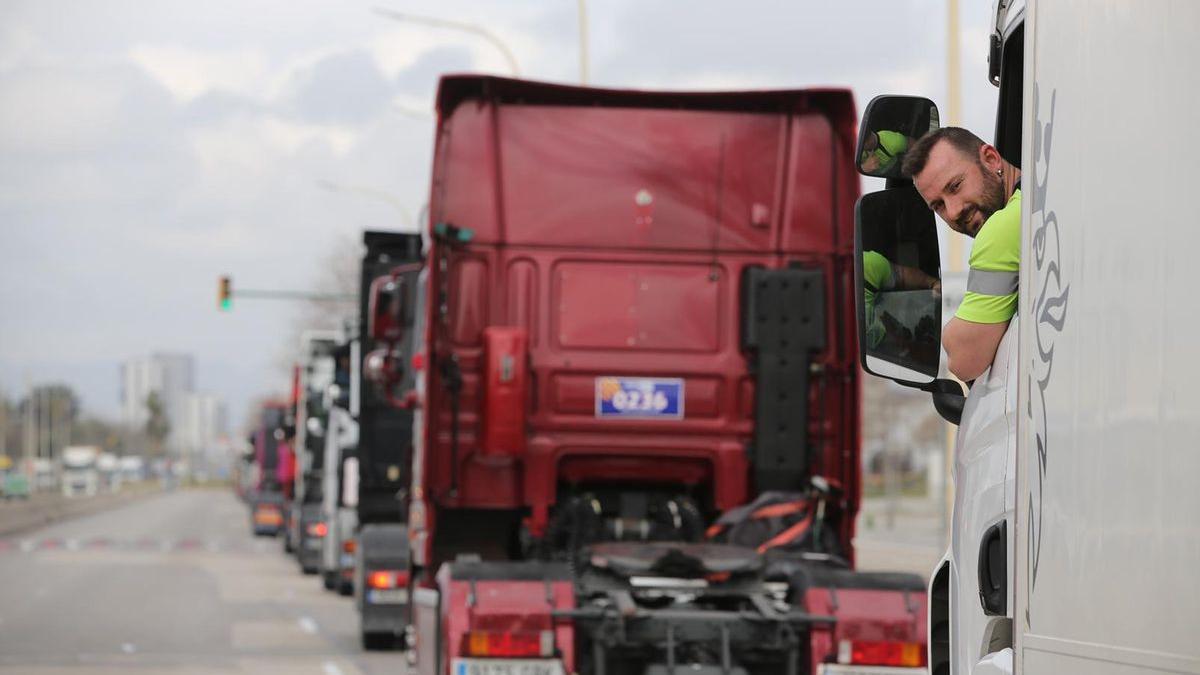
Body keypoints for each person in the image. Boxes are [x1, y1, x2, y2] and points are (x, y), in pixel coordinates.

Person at [901, 127, 1021, 381]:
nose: (953, 212)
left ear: (991, 159)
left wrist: (948, 335)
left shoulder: (1002, 228)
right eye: (939, 205)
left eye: (955, 186)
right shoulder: (1041, 200)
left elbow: (964, 360)